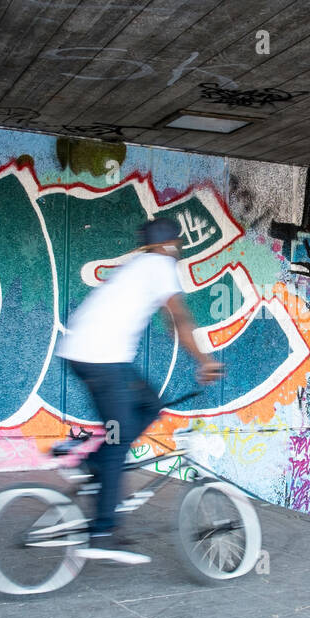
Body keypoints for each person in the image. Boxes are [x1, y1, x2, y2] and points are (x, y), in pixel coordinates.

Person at [54, 217, 223, 564]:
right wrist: (204, 361)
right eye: (177, 245)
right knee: (118, 442)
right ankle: (101, 531)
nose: (179, 251)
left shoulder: (142, 267)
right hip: (101, 359)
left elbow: (168, 319)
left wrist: (190, 347)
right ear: (169, 245)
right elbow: (179, 317)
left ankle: (97, 463)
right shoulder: (160, 265)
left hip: (93, 356)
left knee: (150, 404)